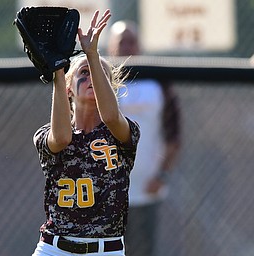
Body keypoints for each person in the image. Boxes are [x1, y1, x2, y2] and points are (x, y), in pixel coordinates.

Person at [32, 10, 140, 256]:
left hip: (106, 250)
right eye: (84, 73)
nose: (92, 76)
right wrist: (58, 72)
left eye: (100, 74)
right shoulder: (46, 134)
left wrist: (92, 54)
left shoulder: (122, 132)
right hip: (54, 248)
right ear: (70, 89)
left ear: (109, 87)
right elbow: (61, 139)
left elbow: (111, 116)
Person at [107, 20, 181, 256]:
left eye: (132, 41)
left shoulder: (159, 81)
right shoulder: (100, 83)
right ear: (111, 47)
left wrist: (162, 174)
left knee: (143, 250)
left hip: (146, 189)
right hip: (107, 192)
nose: (127, 47)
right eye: (121, 41)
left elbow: (174, 136)